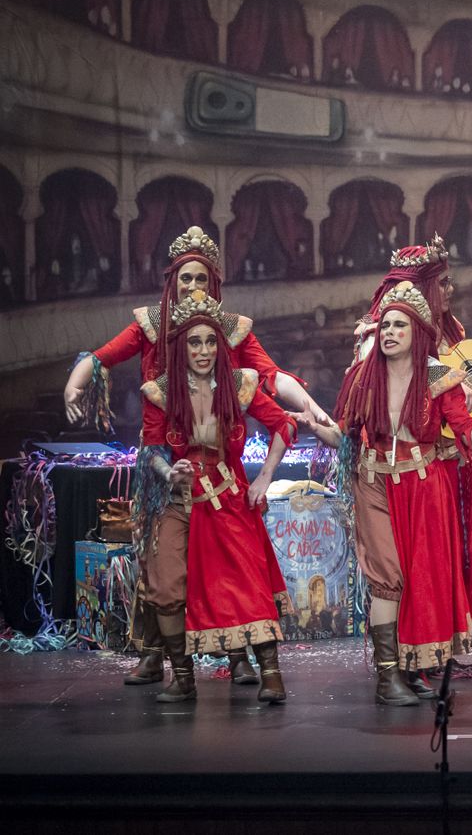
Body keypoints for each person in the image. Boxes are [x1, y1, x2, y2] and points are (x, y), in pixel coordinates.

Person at [63, 225, 326, 689]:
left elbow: (269, 375)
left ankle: (241, 655)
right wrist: (75, 383)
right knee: (160, 559)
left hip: (217, 467)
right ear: (172, 282)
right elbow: (102, 357)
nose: (192, 287)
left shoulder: (227, 331)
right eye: (185, 279)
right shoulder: (148, 325)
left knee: (225, 564)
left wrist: (307, 405)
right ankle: (154, 655)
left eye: (201, 279)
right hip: (161, 456)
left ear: (213, 284)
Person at [301, 282, 472, 706]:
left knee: (421, 578)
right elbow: (344, 436)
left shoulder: (439, 377)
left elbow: (463, 428)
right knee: (388, 578)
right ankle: (386, 677)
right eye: (385, 326)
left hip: (425, 484)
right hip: (374, 482)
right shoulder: (363, 377)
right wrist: (312, 426)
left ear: (417, 332)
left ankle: (414, 667)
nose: (390, 332)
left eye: (400, 325)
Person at [350, 236, 472, 655]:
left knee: (440, 565)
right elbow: (359, 415)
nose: (449, 291)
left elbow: (457, 405)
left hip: (445, 464)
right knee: (401, 568)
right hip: (404, 471)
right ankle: (401, 661)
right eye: (441, 284)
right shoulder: (375, 341)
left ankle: (439, 649)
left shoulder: (450, 334)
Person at [137, 290, 296, 704]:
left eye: (211, 341)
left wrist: (263, 477)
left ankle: (272, 675)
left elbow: (283, 425)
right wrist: (169, 471)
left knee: (247, 582)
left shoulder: (240, 384)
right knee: (167, 586)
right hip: (178, 499)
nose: (204, 350)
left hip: (227, 495)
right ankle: (183, 677)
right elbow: (151, 449)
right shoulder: (160, 390)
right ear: (181, 346)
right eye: (195, 342)